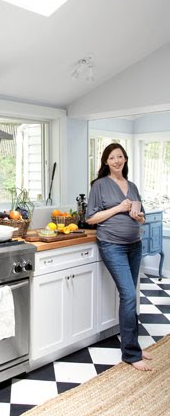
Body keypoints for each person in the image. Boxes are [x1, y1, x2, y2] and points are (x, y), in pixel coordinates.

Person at [86, 143, 152, 371]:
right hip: (112, 245)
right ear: (106, 161)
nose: (117, 161)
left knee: (130, 295)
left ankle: (132, 344)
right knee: (128, 295)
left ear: (125, 160)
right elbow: (91, 218)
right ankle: (131, 355)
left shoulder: (131, 186)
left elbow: (139, 216)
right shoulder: (99, 186)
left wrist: (139, 217)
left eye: (120, 157)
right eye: (112, 157)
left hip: (135, 244)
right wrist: (118, 208)